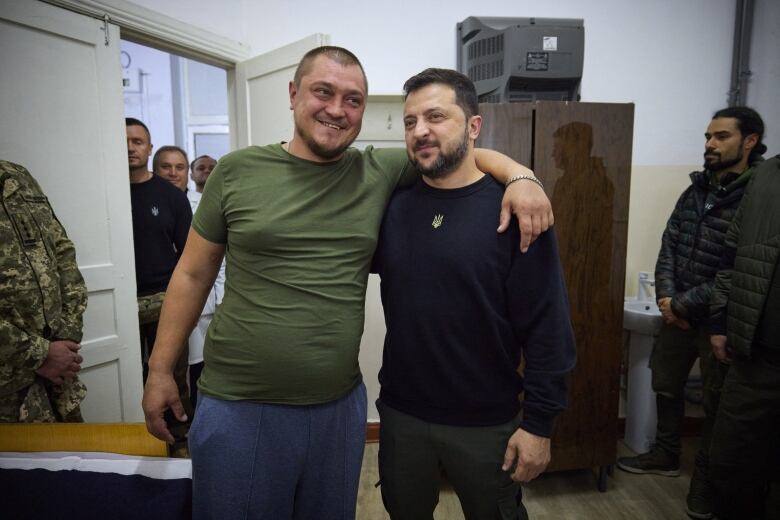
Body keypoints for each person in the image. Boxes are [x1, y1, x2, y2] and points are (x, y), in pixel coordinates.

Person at [142, 46, 553, 519]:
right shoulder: (237, 170)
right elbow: (193, 273)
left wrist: (523, 178)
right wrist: (159, 370)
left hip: (337, 409)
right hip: (239, 403)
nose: (337, 110)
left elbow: (456, 151)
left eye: (353, 100)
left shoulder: (376, 171)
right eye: (323, 92)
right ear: (294, 93)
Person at [372, 68, 576, 519]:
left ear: (473, 126)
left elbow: (548, 326)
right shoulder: (392, 206)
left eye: (436, 116)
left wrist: (539, 425)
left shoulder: (515, 210)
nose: (420, 130)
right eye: (409, 122)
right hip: (403, 416)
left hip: (487, 422)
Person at [616, 107, 765, 520]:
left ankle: (705, 481)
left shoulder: (756, 194)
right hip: (676, 312)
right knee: (667, 384)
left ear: (749, 141)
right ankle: (665, 454)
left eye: (721, 137)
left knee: (718, 404)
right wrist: (667, 296)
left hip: (720, 318)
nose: (709, 145)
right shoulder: (697, 190)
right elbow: (671, 244)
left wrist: (684, 303)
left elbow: (738, 268)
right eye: (707, 137)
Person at [708, 153, 779, 520]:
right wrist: (720, 323)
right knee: (730, 459)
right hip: (756, 354)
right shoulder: (767, 176)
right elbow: (730, 256)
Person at [0, 160, 87, 422]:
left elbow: (62, 250)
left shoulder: (17, 175)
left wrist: (67, 336)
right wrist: (40, 353)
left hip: (60, 375)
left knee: (74, 458)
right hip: (8, 384)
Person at [126, 118, 193, 447]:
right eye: (124, 140)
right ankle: (138, 444)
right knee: (127, 377)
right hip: (120, 303)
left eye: (137, 141)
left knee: (172, 375)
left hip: (165, 300)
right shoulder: (104, 197)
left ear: (147, 148)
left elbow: (190, 259)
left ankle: (178, 441)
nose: (130, 147)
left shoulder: (171, 197)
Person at [185, 154, 224, 411]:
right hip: (191, 296)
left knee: (214, 361)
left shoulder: (223, 200)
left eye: (213, 168)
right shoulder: (183, 202)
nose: (207, 172)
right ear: (193, 173)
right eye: (201, 168)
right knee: (190, 364)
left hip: (218, 295)